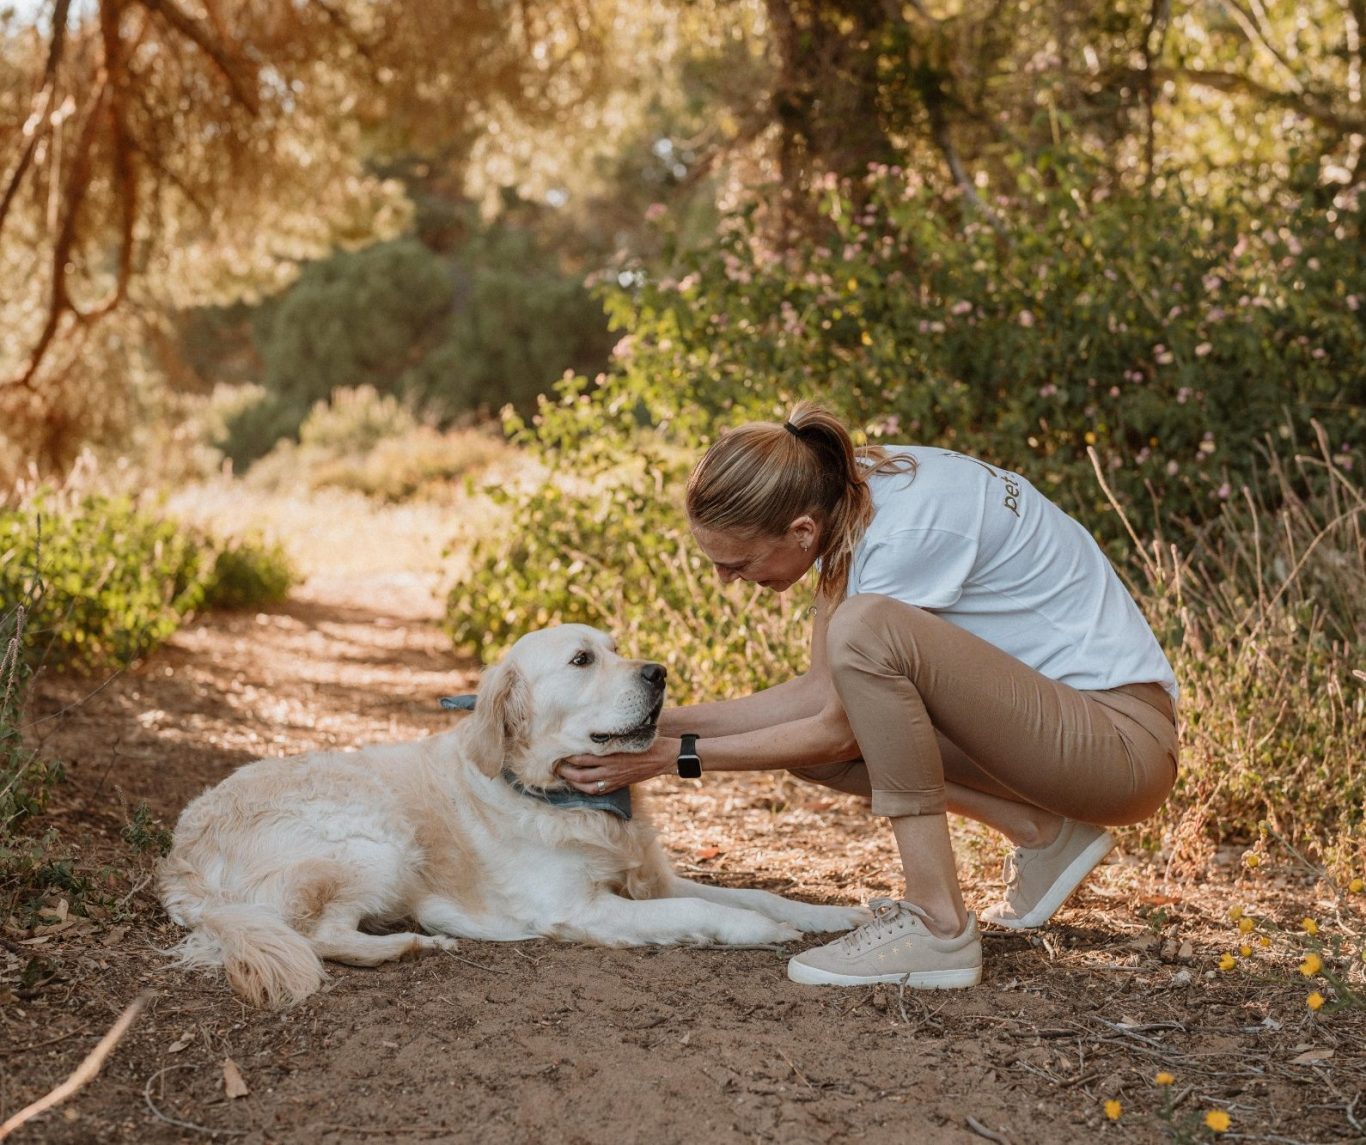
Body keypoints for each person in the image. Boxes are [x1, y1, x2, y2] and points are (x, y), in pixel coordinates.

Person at [557, 401, 1179, 989]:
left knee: (861, 632)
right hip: (1058, 736)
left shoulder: (903, 529)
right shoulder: (847, 497)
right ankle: (1044, 831)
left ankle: (937, 924)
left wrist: (674, 758)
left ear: (800, 530)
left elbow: (838, 726)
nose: (726, 580)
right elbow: (817, 700)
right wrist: (653, 727)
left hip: (1120, 746)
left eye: (737, 563)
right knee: (806, 746)